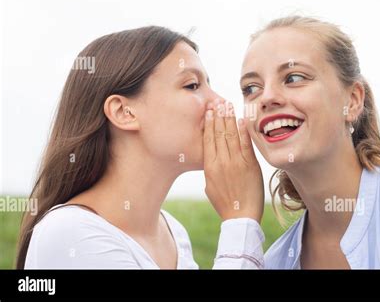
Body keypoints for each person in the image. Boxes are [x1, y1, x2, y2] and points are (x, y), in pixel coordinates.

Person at [18, 26, 265, 269]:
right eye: (192, 85)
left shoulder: (174, 234)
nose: (220, 102)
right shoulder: (70, 233)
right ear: (123, 112)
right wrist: (240, 221)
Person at [238, 15, 380, 269]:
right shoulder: (274, 263)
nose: (267, 97)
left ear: (352, 100)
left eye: (294, 78)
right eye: (251, 88)